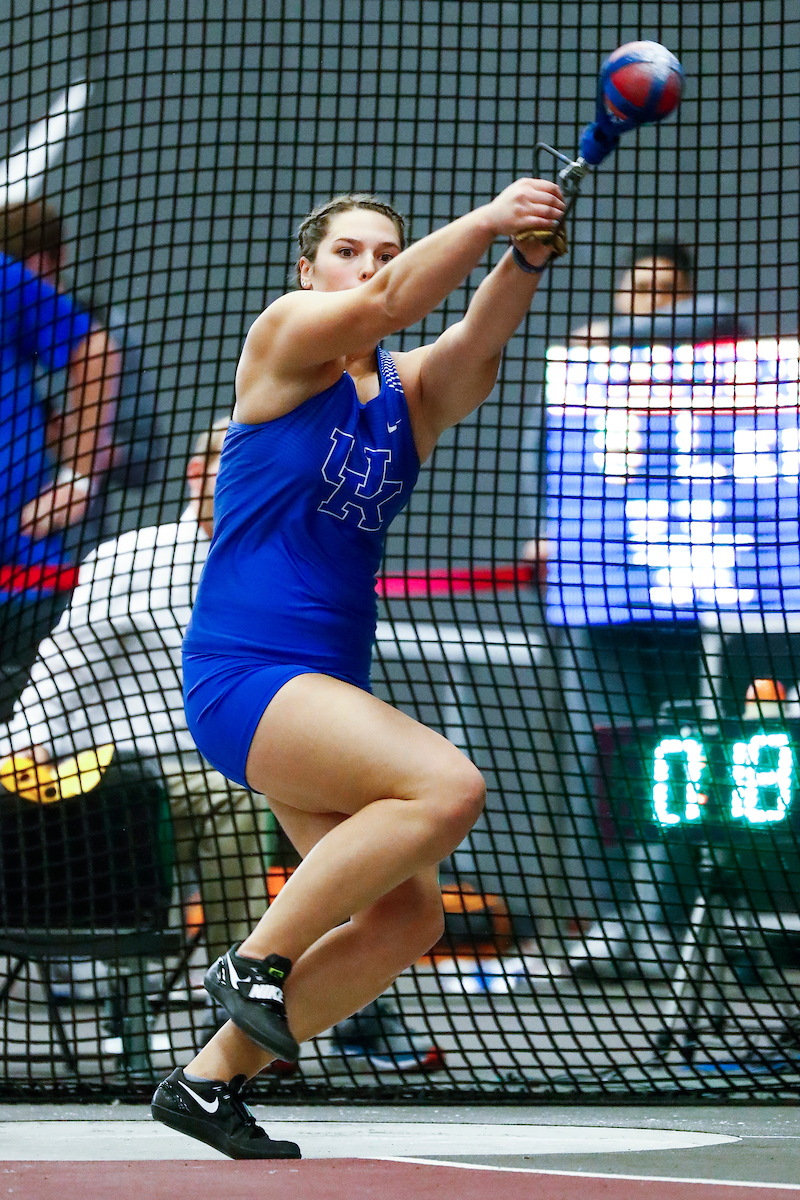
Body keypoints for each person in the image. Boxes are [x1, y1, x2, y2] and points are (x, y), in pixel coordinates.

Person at [151, 182, 567, 1159]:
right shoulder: (286, 342)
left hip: (317, 691)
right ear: (309, 270)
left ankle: (207, 1083)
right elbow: (387, 307)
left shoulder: (408, 398)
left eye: (384, 249)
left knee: (406, 917)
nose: (369, 264)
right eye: (348, 250)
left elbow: (473, 344)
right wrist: (485, 217)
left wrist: (528, 255)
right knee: (447, 785)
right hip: (247, 673)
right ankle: (254, 959)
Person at [0, 419, 273, 1040]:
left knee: (360, 814)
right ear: (197, 474)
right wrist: (22, 746)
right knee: (232, 798)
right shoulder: (132, 559)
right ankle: (243, 1010)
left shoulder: (280, 565)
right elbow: (64, 660)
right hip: (130, 780)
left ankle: (357, 1009)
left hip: (263, 767)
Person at [540, 241, 756, 980]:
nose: (653, 306)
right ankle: (613, 927)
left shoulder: (723, 362)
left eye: (667, 292)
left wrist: (625, 337)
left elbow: (723, 316)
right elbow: (567, 479)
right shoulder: (583, 377)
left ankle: (663, 929)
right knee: (605, 767)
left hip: (692, 603)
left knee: (682, 768)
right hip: (598, 603)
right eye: (639, 292)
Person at [0, 202, 121, 723]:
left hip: (23, 573)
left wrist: (77, 477)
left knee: (33, 742)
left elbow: (94, 349)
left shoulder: (5, 280)